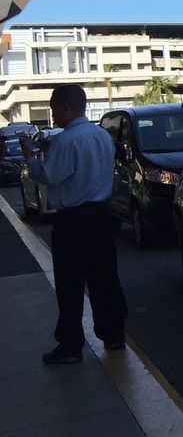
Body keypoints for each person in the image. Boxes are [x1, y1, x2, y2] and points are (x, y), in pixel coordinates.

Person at [19, 84, 128, 364]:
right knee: (105, 278)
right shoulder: (101, 136)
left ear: (66, 108)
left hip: (72, 221)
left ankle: (70, 346)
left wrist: (30, 154)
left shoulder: (66, 141)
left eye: (54, 108)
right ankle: (114, 335)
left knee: (70, 283)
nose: (53, 114)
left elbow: (50, 176)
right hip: (101, 217)